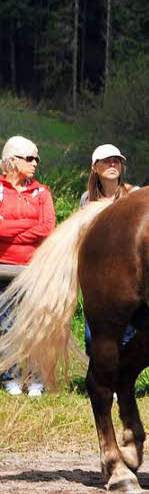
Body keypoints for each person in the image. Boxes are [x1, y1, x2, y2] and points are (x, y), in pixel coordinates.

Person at [0, 136, 55, 397]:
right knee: (6, 325)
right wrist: (28, 227)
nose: (35, 163)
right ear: (12, 160)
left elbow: (47, 229)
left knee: (35, 325)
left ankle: (35, 379)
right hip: (4, 269)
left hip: (35, 270)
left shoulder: (42, 192)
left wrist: (10, 229)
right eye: (30, 158)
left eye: (37, 158)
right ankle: (9, 377)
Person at [80, 144, 137, 356]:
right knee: (92, 334)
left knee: (127, 332)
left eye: (117, 160)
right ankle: (99, 381)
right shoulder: (87, 200)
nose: (113, 164)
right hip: (96, 276)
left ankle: (121, 381)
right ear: (95, 167)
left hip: (128, 277)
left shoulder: (135, 195)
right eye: (107, 160)